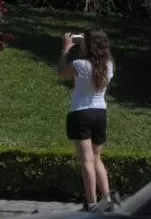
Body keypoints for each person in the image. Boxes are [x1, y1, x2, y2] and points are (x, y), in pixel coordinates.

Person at [57, 27, 115, 212]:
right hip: (100, 113)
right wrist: (86, 43)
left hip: (80, 114)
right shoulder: (109, 65)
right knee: (97, 158)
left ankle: (91, 203)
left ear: (89, 44)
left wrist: (65, 49)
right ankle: (107, 200)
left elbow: (61, 71)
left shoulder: (80, 64)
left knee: (87, 161)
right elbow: (94, 59)